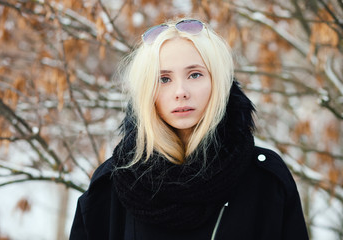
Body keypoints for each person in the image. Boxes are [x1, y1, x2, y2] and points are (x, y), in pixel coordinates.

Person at [69, 18, 309, 240]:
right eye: (163, 79)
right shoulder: (111, 184)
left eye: (195, 74)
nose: (180, 91)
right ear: (145, 91)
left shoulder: (265, 181)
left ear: (218, 82)